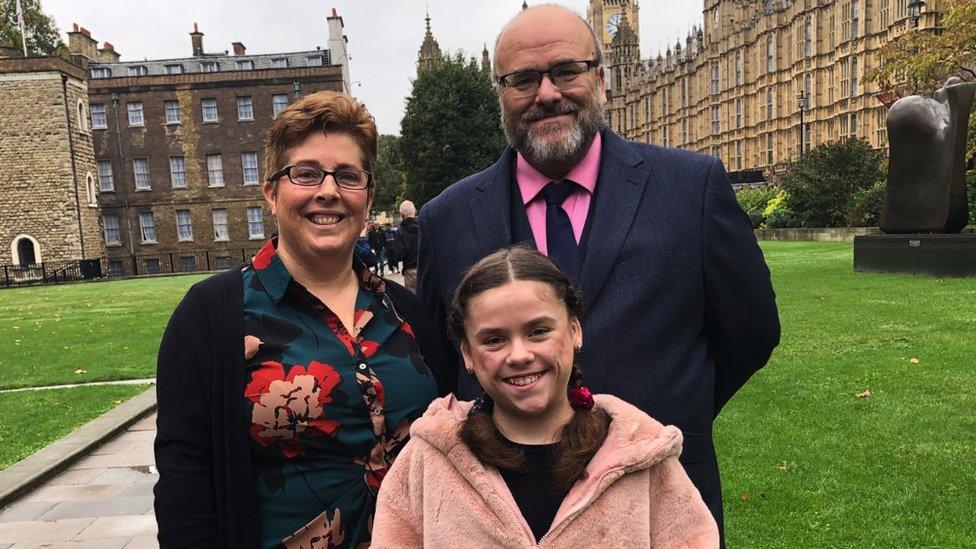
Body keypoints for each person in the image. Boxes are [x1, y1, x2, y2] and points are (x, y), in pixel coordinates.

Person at [416, 4, 780, 535]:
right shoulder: (445, 218)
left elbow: (751, 332)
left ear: (602, 79)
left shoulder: (691, 189)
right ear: (501, 92)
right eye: (523, 79)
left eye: (566, 71)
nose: (546, 93)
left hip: (656, 505)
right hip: (500, 516)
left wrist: (675, 407)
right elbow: (439, 357)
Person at [154, 91, 450, 548]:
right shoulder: (214, 313)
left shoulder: (403, 310)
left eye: (348, 176)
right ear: (271, 193)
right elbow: (185, 482)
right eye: (306, 173)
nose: (328, 191)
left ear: (368, 198)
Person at [373, 247, 719, 547]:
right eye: (494, 339)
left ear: (574, 330)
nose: (519, 354)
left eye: (538, 331)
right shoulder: (428, 459)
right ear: (467, 353)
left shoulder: (641, 454)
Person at [390, 200, 420, 292]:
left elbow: (399, 254)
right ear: (414, 212)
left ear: (402, 215)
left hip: (410, 270)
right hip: (425, 268)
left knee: (413, 300)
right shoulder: (424, 226)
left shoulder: (400, 231)